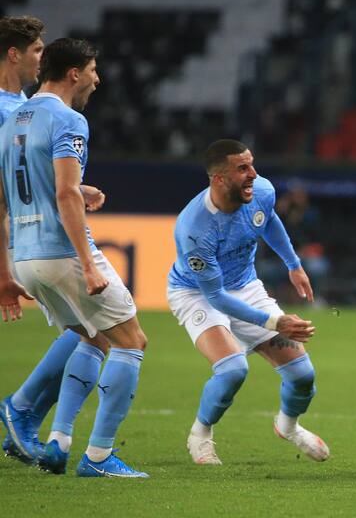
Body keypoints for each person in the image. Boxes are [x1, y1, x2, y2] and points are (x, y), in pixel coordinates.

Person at [0, 38, 148, 478]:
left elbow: (5, 198)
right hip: (61, 250)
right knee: (132, 341)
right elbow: (65, 193)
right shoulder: (69, 119)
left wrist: (5, 271)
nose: (97, 80)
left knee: (91, 336)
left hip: (24, 255)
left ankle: (59, 442)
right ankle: (99, 457)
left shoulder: (12, 120)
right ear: (74, 73)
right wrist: (87, 263)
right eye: (93, 70)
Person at [166, 139, 328, 466]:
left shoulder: (261, 191)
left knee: (302, 376)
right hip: (197, 293)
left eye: (252, 164)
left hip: (244, 285)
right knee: (232, 369)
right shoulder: (194, 229)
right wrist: (275, 322)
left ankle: (288, 426)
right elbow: (215, 297)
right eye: (242, 168)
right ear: (219, 179)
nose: (253, 173)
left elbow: (267, 219)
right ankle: (200, 433)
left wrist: (293, 265)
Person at [0, 18, 107, 467]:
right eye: (38, 51)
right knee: (97, 331)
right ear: (14, 54)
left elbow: (28, 177)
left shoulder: (24, 108)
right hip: (25, 239)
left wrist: (77, 190)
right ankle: (23, 410)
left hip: (28, 237)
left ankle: (24, 414)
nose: (43, 59)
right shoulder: (9, 111)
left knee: (86, 330)